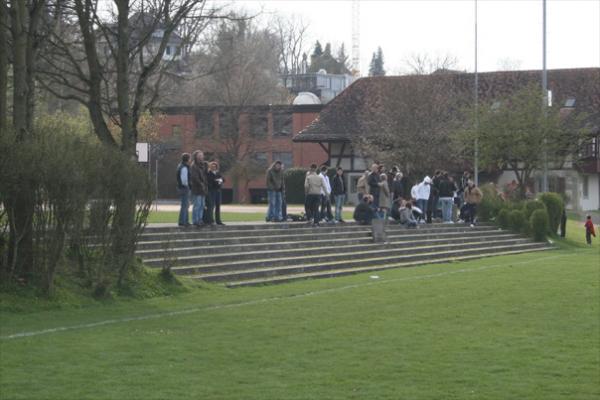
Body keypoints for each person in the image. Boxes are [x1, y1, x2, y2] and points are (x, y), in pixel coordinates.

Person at [190, 150, 208, 227]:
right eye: (199, 155)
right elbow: (194, 177)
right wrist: (201, 184)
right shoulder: (193, 166)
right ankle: (195, 220)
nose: (201, 157)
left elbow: (205, 176)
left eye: (202, 155)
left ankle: (200, 220)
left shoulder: (203, 165)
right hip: (197, 189)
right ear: (196, 157)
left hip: (203, 189)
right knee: (197, 205)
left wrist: (204, 185)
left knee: (202, 205)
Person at [206, 161, 225, 226]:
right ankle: (210, 220)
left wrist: (219, 180)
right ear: (210, 167)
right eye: (212, 166)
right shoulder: (208, 173)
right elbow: (210, 182)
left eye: (215, 166)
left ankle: (218, 220)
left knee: (218, 206)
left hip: (218, 191)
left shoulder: (218, 173)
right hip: (212, 191)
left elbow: (223, 179)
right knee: (211, 206)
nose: (214, 167)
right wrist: (216, 181)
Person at [176, 153, 191, 227]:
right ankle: (182, 221)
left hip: (181, 187)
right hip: (184, 188)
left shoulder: (180, 166)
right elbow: (184, 180)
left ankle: (185, 220)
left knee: (185, 205)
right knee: (185, 205)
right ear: (188, 159)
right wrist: (188, 186)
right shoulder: (184, 167)